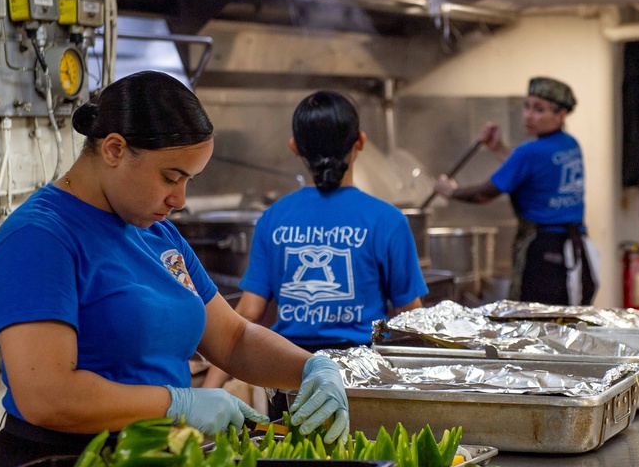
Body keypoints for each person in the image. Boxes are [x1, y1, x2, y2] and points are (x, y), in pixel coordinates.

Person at [0, 71, 349, 467]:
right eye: (172, 176)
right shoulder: (39, 238)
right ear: (113, 150)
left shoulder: (157, 234)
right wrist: (177, 404)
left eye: (189, 179)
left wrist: (313, 368)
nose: (180, 198)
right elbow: (47, 395)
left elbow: (233, 338)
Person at [202, 90, 428, 414]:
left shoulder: (273, 218)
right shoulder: (387, 220)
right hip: (360, 381)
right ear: (360, 142)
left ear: (294, 146)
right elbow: (410, 319)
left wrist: (209, 390)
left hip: (289, 375)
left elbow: (247, 314)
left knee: (292, 462)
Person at [433, 76, 599, 306]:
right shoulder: (570, 144)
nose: (529, 115)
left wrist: (450, 191)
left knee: (532, 320)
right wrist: (499, 148)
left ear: (561, 114)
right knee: (562, 319)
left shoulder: (529, 152)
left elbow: (484, 194)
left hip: (541, 252)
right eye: (527, 106)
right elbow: (530, 171)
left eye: (539, 109)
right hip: (573, 248)